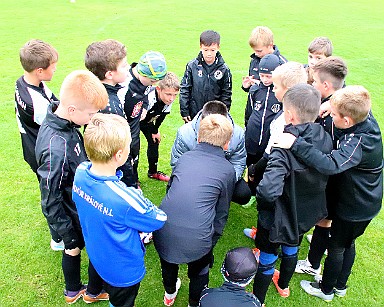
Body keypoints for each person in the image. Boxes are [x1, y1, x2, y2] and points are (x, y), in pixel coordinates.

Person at [274, 85, 383, 302]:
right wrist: (328, 105)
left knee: (338, 247)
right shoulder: (362, 117)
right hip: (359, 200)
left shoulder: (359, 142)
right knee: (346, 243)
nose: (329, 116)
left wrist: (295, 144)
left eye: (334, 115)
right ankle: (339, 285)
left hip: (356, 206)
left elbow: (331, 164)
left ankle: (327, 290)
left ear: (347, 121)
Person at [72, 113, 167, 307]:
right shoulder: (124, 199)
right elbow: (158, 218)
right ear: (120, 155)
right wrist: (137, 196)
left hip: (98, 255)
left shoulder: (81, 172)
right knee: (123, 301)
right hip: (124, 270)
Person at [251, 84, 333, 305]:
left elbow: (268, 191)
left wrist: (262, 203)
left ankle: (258, 299)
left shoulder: (283, 146)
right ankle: (284, 285)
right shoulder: (325, 137)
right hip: (304, 213)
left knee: (267, 257)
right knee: (292, 247)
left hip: (279, 215)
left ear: (288, 114)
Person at [35, 70, 109, 304]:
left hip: (76, 204)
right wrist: (67, 233)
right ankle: (93, 292)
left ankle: (72, 290)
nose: (93, 117)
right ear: (73, 110)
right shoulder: (56, 147)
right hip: (74, 213)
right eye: (90, 113)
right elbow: (49, 198)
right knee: (91, 247)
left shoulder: (64, 121)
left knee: (74, 248)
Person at [154, 114, 236, 307]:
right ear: (227, 143)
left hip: (163, 228)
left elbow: (170, 190)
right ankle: (194, 302)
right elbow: (222, 212)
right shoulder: (227, 169)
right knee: (200, 270)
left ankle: (170, 293)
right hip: (198, 237)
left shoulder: (185, 157)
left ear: (198, 137)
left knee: (168, 262)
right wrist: (211, 241)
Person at [294, 56, 348, 278]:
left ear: (326, 85)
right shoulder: (342, 103)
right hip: (338, 174)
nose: (313, 85)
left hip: (336, 176)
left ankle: (312, 263)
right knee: (324, 220)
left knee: (325, 220)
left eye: (315, 82)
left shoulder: (333, 114)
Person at [244, 61, 308, 235]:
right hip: (296, 178)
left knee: (269, 212)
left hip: (278, 172)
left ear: (288, 90)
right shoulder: (305, 111)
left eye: (276, 86)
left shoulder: (283, 121)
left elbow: (269, 154)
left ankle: (264, 246)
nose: (273, 89)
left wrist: (254, 169)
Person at [14, 39, 63, 251]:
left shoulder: (25, 82)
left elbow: (54, 100)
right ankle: (57, 237)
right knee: (51, 191)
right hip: (40, 153)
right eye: (53, 66)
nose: (56, 69)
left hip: (32, 145)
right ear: (40, 70)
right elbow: (60, 121)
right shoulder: (35, 103)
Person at [171, 100, 250, 205]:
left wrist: (224, 181)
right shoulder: (185, 133)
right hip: (195, 175)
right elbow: (177, 163)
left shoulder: (238, 134)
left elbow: (238, 161)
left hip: (222, 176)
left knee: (243, 194)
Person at [84, 39, 138, 188]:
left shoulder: (94, 91)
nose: (128, 68)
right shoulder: (109, 107)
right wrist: (131, 185)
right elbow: (118, 148)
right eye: (124, 65)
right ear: (109, 74)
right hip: (112, 173)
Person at [118, 51, 167, 186]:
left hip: (134, 129)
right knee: (122, 161)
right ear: (142, 72)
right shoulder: (123, 85)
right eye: (152, 80)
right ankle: (128, 186)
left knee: (134, 156)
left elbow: (145, 93)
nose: (154, 84)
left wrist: (144, 107)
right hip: (121, 132)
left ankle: (134, 181)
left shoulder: (146, 82)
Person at [244, 54, 282, 204]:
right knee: (251, 165)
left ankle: (262, 192)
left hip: (269, 141)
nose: (265, 79)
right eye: (262, 76)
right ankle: (251, 192)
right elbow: (249, 112)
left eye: (269, 76)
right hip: (252, 137)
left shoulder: (279, 93)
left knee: (264, 167)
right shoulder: (255, 90)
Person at [179, 30, 232, 122]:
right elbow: (185, 89)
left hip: (214, 116)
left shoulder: (224, 70)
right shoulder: (192, 66)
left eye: (212, 50)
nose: (209, 53)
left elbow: (226, 94)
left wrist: (223, 114)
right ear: (200, 47)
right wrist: (184, 111)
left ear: (218, 48)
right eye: (206, 50)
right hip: (194, 114)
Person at [140, 72, 180, 182]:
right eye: (168, 94)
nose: (172, 99)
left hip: (146, 121)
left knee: (154, 141)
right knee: (132, 146)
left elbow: (161, 115)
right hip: (133, 120)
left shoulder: (168, 99)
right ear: (158, 89)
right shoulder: (148, 98)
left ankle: (153, 172)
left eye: (175, 95)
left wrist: (155, 131)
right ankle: (132, 179)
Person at [241, 26, 287, 92]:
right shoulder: (255, 60)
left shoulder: (282, 64)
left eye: (259, 51)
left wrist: (260, 84)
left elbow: (286, 90)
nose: (256, 54)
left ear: (270, 45)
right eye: (254, 51)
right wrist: (246, 86)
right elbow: (253, 88)